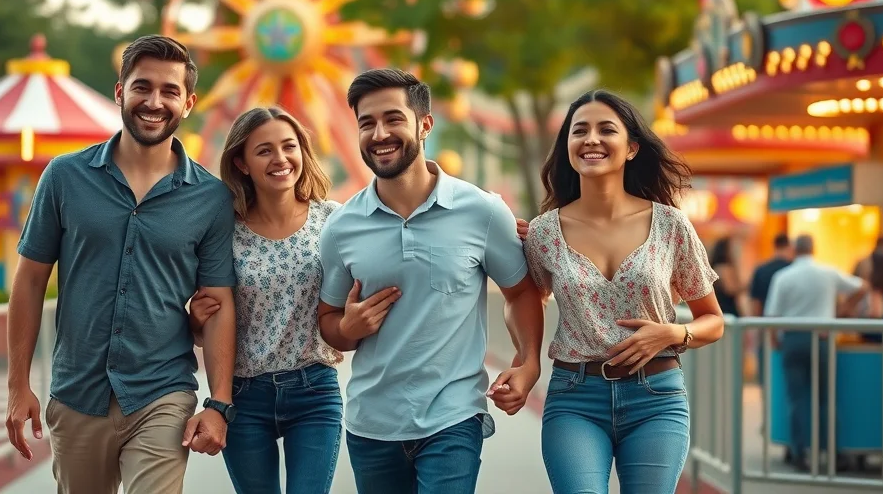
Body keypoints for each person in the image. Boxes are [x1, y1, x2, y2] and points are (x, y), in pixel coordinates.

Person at [5, 35, 237, 494]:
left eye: (169, 91)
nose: (154, 101)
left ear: (188, 103)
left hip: (162, 393)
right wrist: (18, 387)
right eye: (142, 87)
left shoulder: (211, 198)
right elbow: (30, 282)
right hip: (76, 392)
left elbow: (219, 304)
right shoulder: (65, 176)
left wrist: (219, 403)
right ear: (120, 92)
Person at [314, 68, 546, 494]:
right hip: (371, 425)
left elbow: (520, 292)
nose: (380, 133)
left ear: (425, 124)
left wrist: (527, 361)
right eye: (367, 123)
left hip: (454, 417)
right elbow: (328, 322)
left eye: (393, 119)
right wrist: (347, 329)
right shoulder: (340, 228)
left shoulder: (482, 211)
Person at [523, 89, 725, 494]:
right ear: (567, 147)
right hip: (575, 398)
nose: (591, 139)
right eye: (579, 131)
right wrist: (523, 361)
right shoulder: (543, 232)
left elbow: (713, 321)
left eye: (606, 130)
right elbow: (525, 298)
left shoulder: (671, 225)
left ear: (631, 148)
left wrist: (673, 333)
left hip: (657, 399)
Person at [187, 107, 397, 494]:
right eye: (264, 151)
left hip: (314, 390)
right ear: (242, 163)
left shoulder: (334, 220)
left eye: (289, 146)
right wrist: (195, 323)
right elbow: (208, 324)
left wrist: (510, 230)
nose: (281, 159)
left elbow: (394, 242)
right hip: (243, 395)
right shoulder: (223, 231)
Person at [763, 234, 866, 471]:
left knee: (796, 399)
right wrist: (843, 309)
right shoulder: (828, 272)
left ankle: (799, 453)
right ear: (813, 249)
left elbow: (771, 315)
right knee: (826, 399)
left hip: (793, 339)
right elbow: (863, 286)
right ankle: (834, 454)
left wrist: (775, 340)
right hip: (823, 338)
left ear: (794, 251)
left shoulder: (783, 277)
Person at [748, 234, 792, 384]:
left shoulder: (761, 270)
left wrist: (760, 325)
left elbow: (756, 304)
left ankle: (767, 400)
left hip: (766, 325)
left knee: (766, 372)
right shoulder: (791, 269)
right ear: (789, 247)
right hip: (789, 327)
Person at [709, 236, 743, 316]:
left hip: (721, 307)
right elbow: (731, 289)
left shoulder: (716, 267)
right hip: (728, 309)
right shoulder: (725, 268)